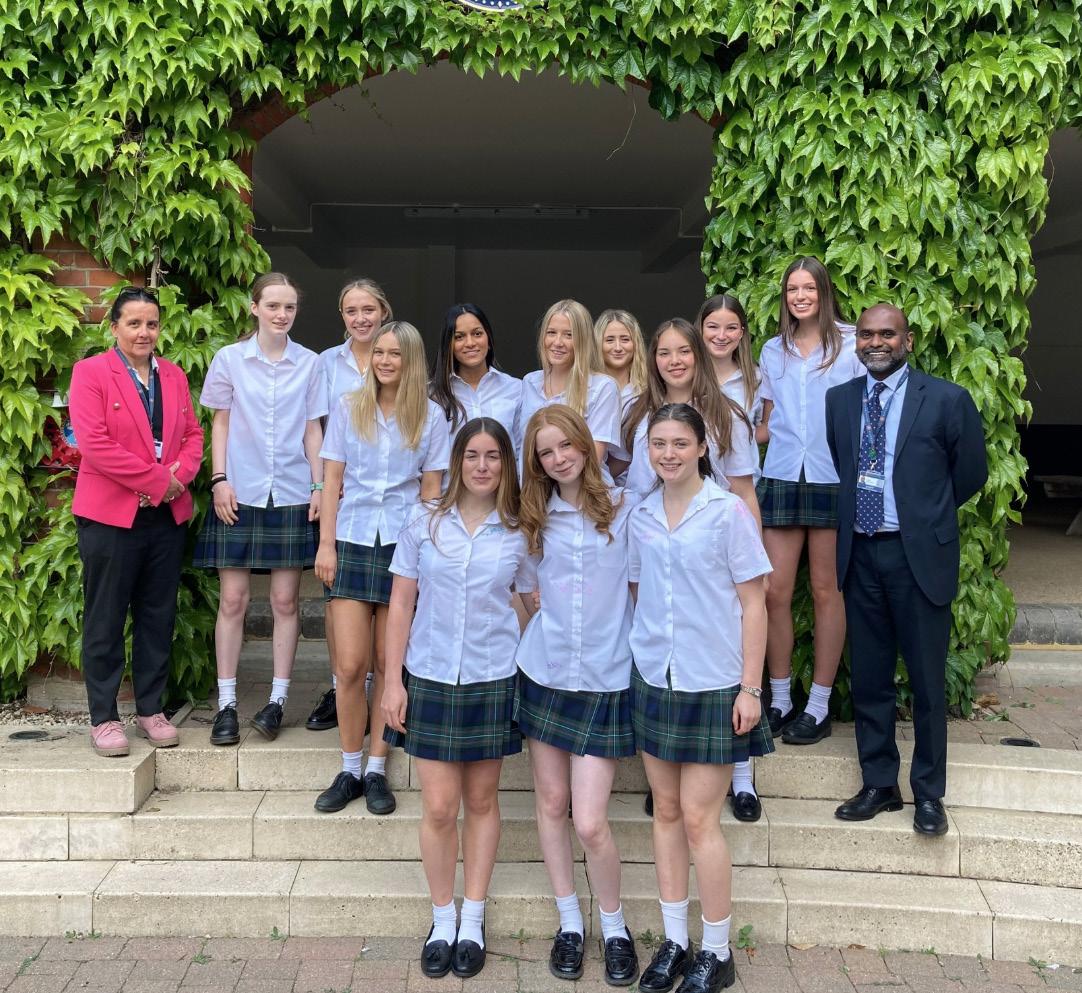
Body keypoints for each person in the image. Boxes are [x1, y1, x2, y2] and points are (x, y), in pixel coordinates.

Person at [825, 304, 987, 837]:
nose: (876, 342)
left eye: (887, 334)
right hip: (861, 554)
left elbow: (970, 473)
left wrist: (923, 515)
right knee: (870, 679)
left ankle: (929, 794)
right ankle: (879, 784)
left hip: (918, 556)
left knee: (927, 683)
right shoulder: (839, 401)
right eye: (866, 334)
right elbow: (846, 467)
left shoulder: (945, 399)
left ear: (908, 341)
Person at [629, 403, 773, 993]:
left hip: (714, 681)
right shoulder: (640, 515)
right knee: (665, 812)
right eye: (658, 444)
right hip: (655, 678)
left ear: (701, 447)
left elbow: (755, 603)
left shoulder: (727, 512)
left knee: (698, 819)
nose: (668, 454)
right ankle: (674, 942)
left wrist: (750, 687)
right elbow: (638, 590)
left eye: (679, 443)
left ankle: (717, 950)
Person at [380, 418, 530, 980]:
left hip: (493, 675)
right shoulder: (423, 521)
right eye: (472, 455)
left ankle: (474, 919)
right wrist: (392, 682)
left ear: (505, 464)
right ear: (457, 461)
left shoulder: (519, 529)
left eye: (493, 456)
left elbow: (528, 601)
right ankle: (443, 918)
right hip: (432, 673)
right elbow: (401, 604)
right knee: (440, 807)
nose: (482, 466)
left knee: (483, 801)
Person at [516, 405, 639, 987]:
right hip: (546, 672)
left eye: (565, 445)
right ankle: (570, 923)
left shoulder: (626, 507)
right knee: (550, 803)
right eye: (546, 452)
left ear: (586, 445)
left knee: (589, 821)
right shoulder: (534, 516)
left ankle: (614, 927)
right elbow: (523, 587)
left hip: (606, 675)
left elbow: (638, 588)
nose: (558, 458)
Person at [314, 321, 449, 816]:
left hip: (403, 545)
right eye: (380, 353)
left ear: (411, 361)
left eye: (396, 354)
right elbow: (332, 481)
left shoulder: (431, 416)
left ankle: (375, 767)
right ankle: (348, 768)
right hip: (351, 540)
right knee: (350, 666)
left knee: (387, 664)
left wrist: (427, 558)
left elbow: (431, 493)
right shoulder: (350, 407)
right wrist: (326, 545)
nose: (386, 361)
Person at [69, 287, 204, 757]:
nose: (144, 332)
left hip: (165, 518)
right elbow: (95, 444)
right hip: (111, 516)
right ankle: (104, 718)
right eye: (134, 323)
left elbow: (193, 435)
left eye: (151, 324)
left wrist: (180, 476)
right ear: (114, 328)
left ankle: (151, 709)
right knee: (105, 617)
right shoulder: (91, 373)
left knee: (156, 615)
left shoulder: (173, 375)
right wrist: (158, 481)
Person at [194, 273, 326, 745]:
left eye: (289, 307)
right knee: (233, 600)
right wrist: (219, 479)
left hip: (291, 491)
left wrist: (318, 485)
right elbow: (220, 423)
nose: (281, 314)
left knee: (285, 601)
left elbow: (313, 429)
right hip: (240, 491)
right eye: (272, 305)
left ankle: (277, 701)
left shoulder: (310, 363)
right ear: (254, 308)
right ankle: (227, 705)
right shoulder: (229, 359)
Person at [757, 257, 863, 744]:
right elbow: (767, 420)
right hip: (781, 474)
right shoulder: (771, 350)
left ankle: (818, 707)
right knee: (773, 592)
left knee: (826, 591)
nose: (800, 297)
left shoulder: (850, 344)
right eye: (792, 289)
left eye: (808, 288)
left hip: (831, 476)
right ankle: (780, 699)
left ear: (823, 291)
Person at [307, 278, 393, 734]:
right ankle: (340, 688)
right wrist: (321, 485)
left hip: (386, 506)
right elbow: (317, 427)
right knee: (339, 607)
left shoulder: (397, 357)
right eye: (351, 311)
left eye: (368, 309)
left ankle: (382, 697)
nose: (361, 318)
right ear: (342, 316)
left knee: (385, 620)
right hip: (339, 495)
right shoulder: (326, 363)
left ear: (383, 311)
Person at [698, 295, 765, 823]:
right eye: (711, 326)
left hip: (725, 533)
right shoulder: (666, 396)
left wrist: (755, 554)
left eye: (730, 327)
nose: (720, 335)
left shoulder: (747, 387)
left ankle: (742, 775)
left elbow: (743, 486)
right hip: (677, 536)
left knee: (733, 646)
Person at [616, 320, 760, 530]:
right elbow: (614, 471)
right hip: (646, 531)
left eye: (684, 351)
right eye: (664, 353)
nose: (674, 361)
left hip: (708, 531)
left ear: (699, 355)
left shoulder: (726, 414)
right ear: (654, 359)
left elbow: (744, 492)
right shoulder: (636, 410)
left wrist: (755, 547)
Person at [517, 299, 621, 466]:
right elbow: (521, 448)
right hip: (531, 483)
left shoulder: (603, 387)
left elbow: (593, 459)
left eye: (569, 335)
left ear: (583, 340)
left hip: (580, 483)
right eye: (551, 332)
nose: (558, 342)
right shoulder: (529, 382)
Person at [429, 303, 522, 446]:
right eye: (459, 337)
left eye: (477, 334)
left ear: (488, 339)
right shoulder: (433, 394)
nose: (470, 343)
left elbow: (522, 448)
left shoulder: (515, 388)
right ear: (449, 345)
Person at [595, 308, 648, 413]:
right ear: (597, 344)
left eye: (625, 339)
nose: (618, 348)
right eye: (610, 340)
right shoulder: (586, 389)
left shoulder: (650, 391)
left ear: (636, 344)